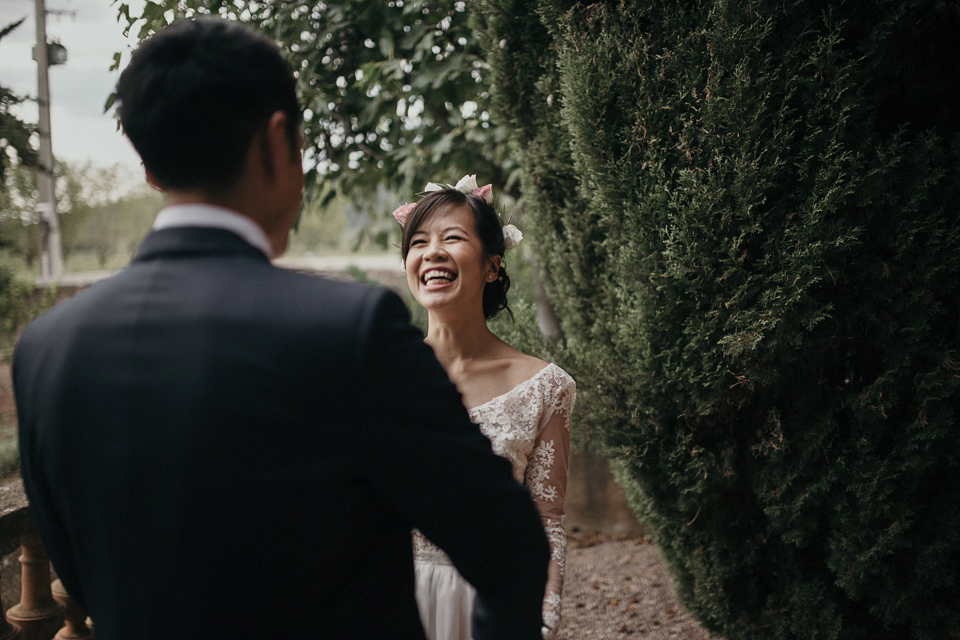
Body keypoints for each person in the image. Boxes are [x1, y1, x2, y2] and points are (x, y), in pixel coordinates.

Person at [14, 18, 550, 640]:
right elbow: (508, 546)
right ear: (279, 142)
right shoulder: (350, 329)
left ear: (150, 170)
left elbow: (80, 576)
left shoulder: (47, 348)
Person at [392, 176, 576, 640]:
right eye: (419, 242)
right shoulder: (377, 373)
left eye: (452, 238)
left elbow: (546, 519)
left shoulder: (544, 387)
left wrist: (543, 612)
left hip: (486, 609)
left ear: (492, 267)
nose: (432, 252)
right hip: (385, 599)